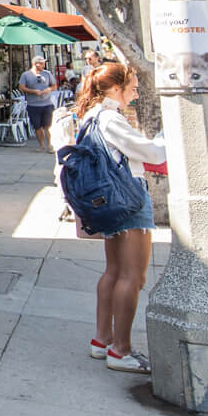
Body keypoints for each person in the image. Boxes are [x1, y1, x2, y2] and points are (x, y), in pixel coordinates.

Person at [75, 62, 166, 374]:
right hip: (127, 198)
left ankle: (102, 340)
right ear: (115, 88)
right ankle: (120, 349)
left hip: (108, 199)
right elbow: (152, 153)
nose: (136, 93)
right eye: (133, 87)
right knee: (132, 276)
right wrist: (166, 138)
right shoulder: (110, 118)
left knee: (113, 271)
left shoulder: (90, 116)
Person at [18, 55, 59, 151]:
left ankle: (50, 145)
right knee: (37, 126)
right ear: (35, 64)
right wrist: (34, 91)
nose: (44, 66)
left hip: (47, 104)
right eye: (42, 64)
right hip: (33, 105)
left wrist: (48, 89)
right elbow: (21, 87)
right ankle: (42, 146)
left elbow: (54, 86)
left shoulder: (47, 74)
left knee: (48, 126)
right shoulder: (26, 75)